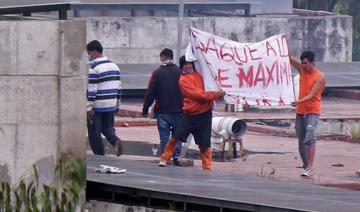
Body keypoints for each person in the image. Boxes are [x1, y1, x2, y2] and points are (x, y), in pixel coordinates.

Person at [158, 56, 225, 170]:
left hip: (204, 115)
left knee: (205, 144)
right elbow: (198, 95)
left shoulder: (202, 75)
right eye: (185, 64)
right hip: (189, 115)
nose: (188, 66)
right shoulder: (183, 80)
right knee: (176, 136)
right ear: (182, 66)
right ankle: (164, 158)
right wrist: (217, 95)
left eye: (190, 63)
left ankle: (207, 167)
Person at [142, 48, 183, 166]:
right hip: (178, 110)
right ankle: (176, 155)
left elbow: (150, 92)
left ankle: (165, 157)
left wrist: (145, 108)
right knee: (177, 134)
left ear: (162, 57)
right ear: (172, 57)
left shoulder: (157, 73)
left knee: (164, 135)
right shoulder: (180, 72)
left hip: (162, 111)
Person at [289, 50, 325, 177]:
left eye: (305, 63)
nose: (303, 66)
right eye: (302, 63)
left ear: (312, 63)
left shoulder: (320, 77)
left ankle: (309, 168)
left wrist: (298, 101)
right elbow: (290, 59)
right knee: (301, 142)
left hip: (312, 111)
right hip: (300, 111)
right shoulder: (302, 71)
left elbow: (311, 95)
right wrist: (283, 42)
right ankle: (306, 166)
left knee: (310, 139)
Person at [86, 40, 122, 156]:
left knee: (94, 133)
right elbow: (119, 87)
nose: (89, 56)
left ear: (94, 52)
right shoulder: (115, 66)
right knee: (107, 128)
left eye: (89, 53)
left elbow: (92, 89)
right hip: (110, 104)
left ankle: (99, 155)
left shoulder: (94, 68)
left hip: (97, 106)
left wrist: (89, 107)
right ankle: (115, 141)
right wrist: (117, 104)